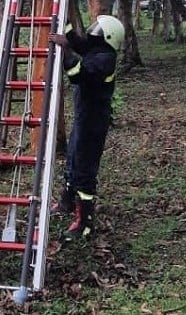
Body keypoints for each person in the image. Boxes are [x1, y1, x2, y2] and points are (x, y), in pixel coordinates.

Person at [49, 14, 125, 239]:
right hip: (84, 118)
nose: (92, 34)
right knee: (72, 159)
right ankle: (67, 202)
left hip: (93, 122)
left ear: (106, 37)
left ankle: (85, 223)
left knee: (84, 167)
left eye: (97, 32)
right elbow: (80, 43)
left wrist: (66, 51)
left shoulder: (105, 59)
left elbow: (78, 73)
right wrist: (65, 22)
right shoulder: (97, 51)